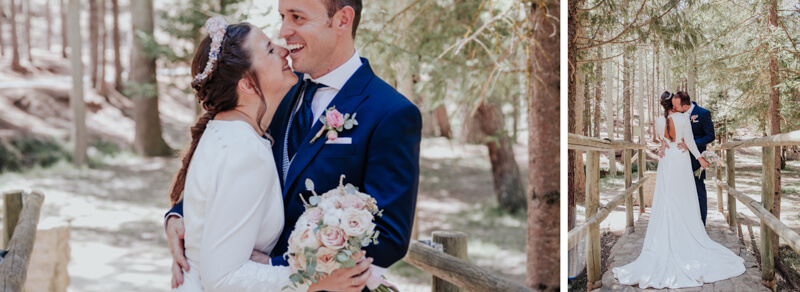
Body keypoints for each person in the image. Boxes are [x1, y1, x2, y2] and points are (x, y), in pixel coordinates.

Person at [166, 0, 423, 289]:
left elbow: (388, 236)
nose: (284, 31)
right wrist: (183, 214)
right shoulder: (275, 86)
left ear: (342, 20)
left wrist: (281, 267)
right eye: (283, 17)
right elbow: (229, 164)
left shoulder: (390, 113)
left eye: (297, 17)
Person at [612, 91, 744, 289]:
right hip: (681, 159)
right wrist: (700, 158)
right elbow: (689, 141)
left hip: (666, 160)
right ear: (673, 105)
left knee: (667, 195)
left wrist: (666, 142)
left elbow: (665, 140)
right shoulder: (683, 118)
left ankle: (667, 231)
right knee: (684, 196)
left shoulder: (658, 120)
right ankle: (687, 231)